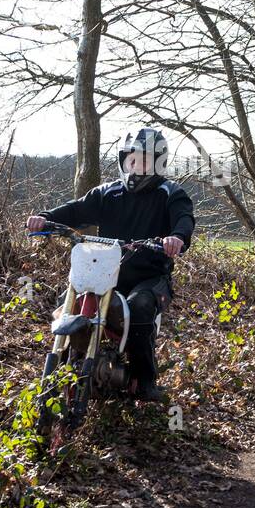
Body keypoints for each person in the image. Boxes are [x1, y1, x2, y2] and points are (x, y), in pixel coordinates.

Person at [26, 128, 195, 402]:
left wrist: (177, 237)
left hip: (149, 277)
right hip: (106, 271)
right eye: (132, 158)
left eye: (144, 160)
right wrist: (45, 218)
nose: (136, 165)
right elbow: (76, 210)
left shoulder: (170, 193)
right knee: (67, 300)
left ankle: (145, 380)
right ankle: (66, 365)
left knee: (140, 308)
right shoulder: (108, 192)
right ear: (124, 160)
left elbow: (184, 219)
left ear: (158, 162)